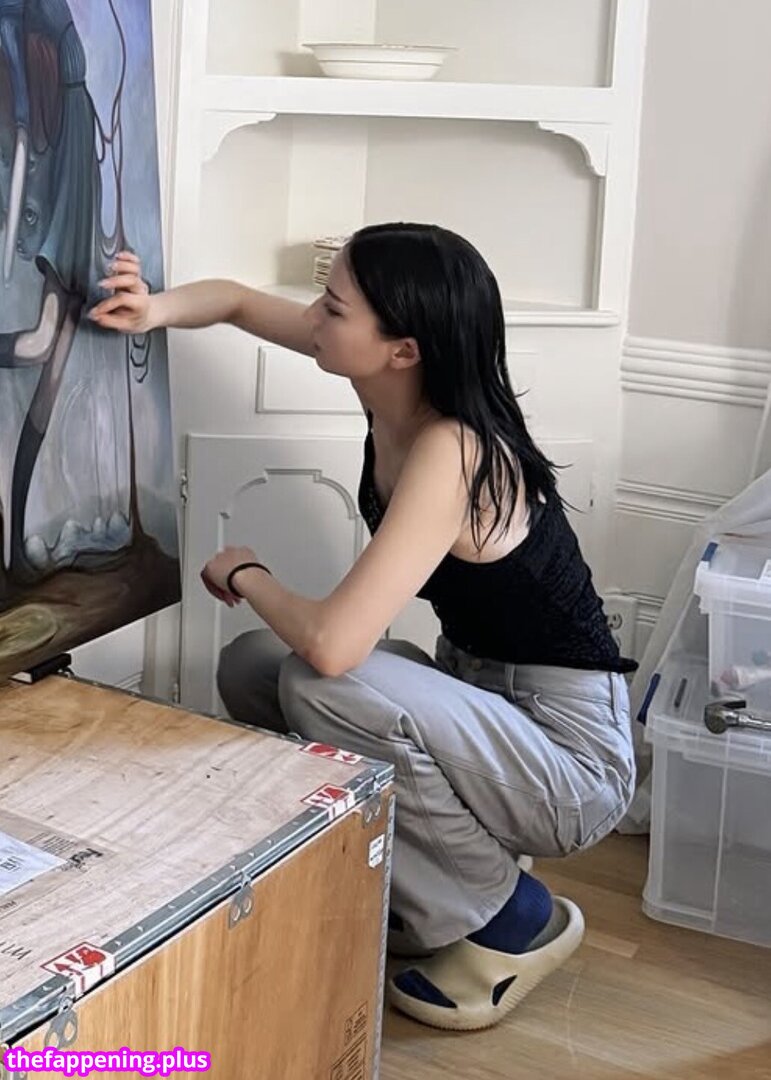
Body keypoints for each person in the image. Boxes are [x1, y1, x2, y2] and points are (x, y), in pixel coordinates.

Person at [89, 223, 637, 1032]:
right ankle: (423, 886)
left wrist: (246, 573)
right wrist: (151, 310)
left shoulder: (455, 448)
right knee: (252, 665)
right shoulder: (389, 381)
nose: (312, 316)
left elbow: (333, 646)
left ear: (402, 349)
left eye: (333, 307)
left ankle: (510, 915)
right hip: (487, 703)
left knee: (321, 679)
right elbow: (236, 301)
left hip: (569, 759)